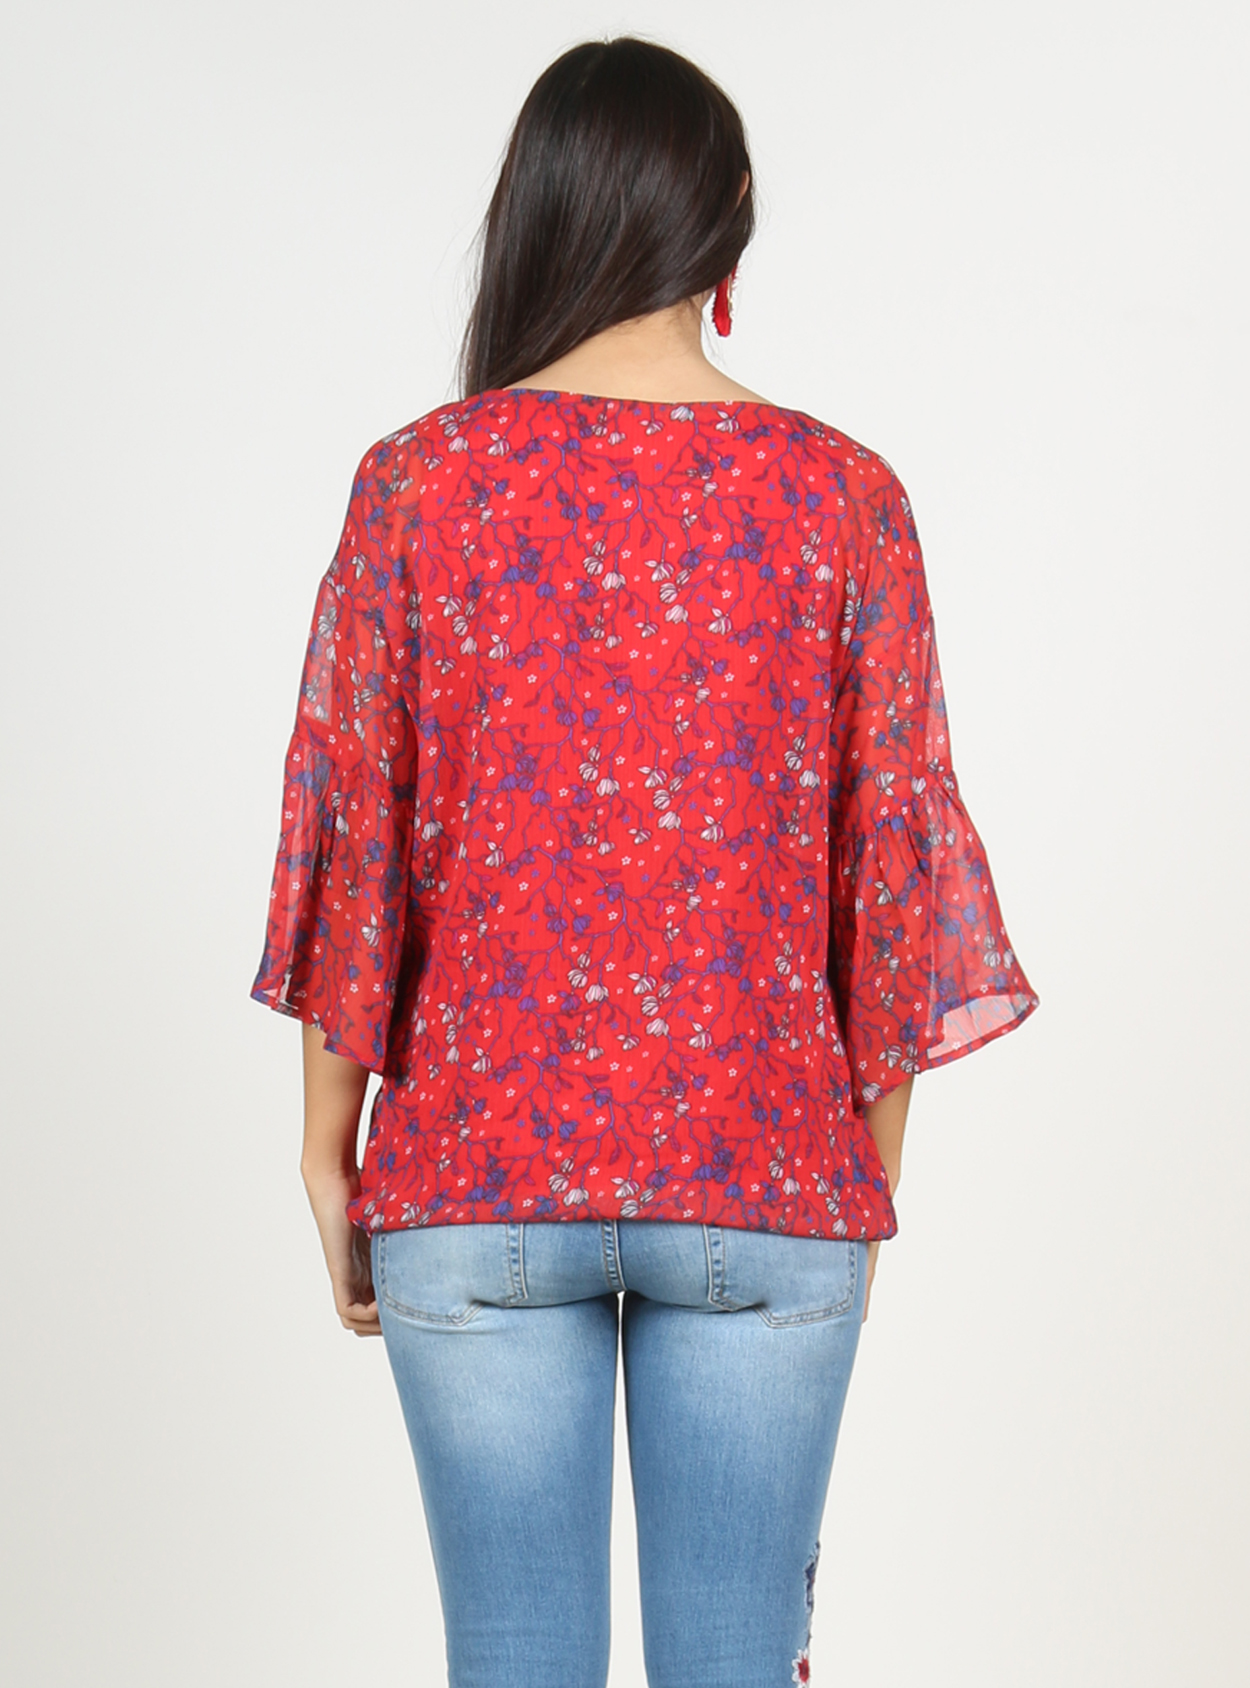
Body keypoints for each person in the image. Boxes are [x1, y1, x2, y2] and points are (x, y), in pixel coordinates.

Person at [249, 34, 1039, 1688]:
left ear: (536, 210)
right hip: (771, 1175)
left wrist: (329, 1153)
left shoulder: (418, 486)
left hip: (471, 1174)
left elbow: (353, 835)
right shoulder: (843, 498)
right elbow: (891, 873)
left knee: (511, 1663)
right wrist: (857, 1183)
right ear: (729, 221)